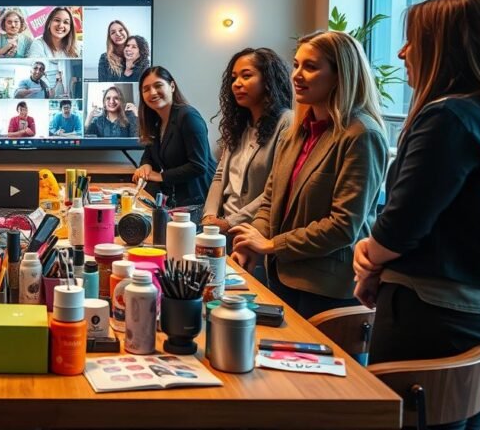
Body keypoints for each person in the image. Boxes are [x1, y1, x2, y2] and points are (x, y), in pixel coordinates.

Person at [353, 0, 480, 430]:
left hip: (435, 318)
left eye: (412, 40)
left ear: (446, 49)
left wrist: (369, 257)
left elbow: (398, 230)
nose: (401, 50)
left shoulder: (445, 117)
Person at [230, 31, 388, 319]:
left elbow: (343, 226)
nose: (297, 75)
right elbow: (270, 199)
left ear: (341, 74)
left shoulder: (361, 135)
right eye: (296, 65)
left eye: (311, 67)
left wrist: (271, 244)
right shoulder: (298, 130)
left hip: (327, 290)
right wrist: (252, 242)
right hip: (281, 276)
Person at [202, 48, 293, 239]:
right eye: (234, 78)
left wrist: (230, 223)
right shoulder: (239, 124)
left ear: (268, 80)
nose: (237, 84)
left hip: (255, 232)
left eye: (246, 76)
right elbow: (219, 176)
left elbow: (277, 187)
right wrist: (209, 216)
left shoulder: (286, 122)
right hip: (221, 230)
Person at [132, 67, 215, 208]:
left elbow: (198, 166)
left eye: (158, 85)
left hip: (199, 201)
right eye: (146, 89)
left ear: (172, 86)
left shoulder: (188, 116)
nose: (152, 92)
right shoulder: (157, 121)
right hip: (177, 200)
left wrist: (160, 176)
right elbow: (150, 153)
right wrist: (146, 165)